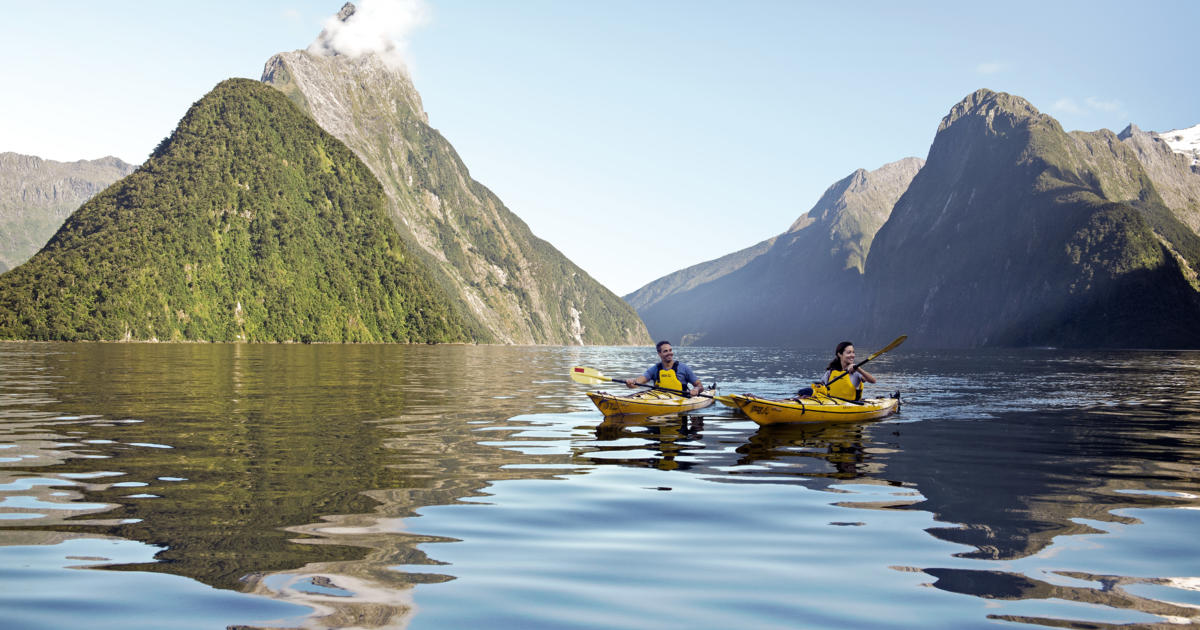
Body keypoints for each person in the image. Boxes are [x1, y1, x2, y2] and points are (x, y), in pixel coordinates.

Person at [796, 340, 877, 401]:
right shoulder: (830, 372)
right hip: (832, 404)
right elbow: (821, 388)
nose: (852, 355)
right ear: (840, 354)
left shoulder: (856, 373)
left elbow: (873, 381)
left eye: (853, 352)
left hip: (851, 405)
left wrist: (858, 369)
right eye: (849, 352)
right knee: (804, 391)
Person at [624, 340, 704, 397]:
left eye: (670, 350)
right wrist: (631, 382)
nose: (669, 353)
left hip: (681, 400)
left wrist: (696, 389)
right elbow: (637, 383)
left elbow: (700, 386)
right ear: (659, 354)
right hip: (659, 400)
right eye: (665, 351)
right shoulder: (654, 369)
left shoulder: (684, 368)